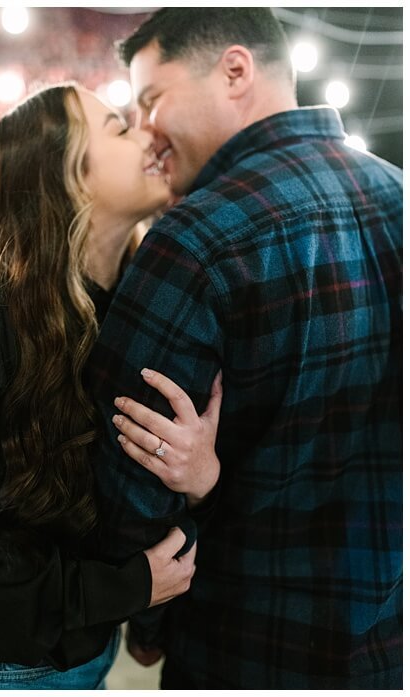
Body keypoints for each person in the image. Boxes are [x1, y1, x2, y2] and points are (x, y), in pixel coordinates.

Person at [86, 8, 403, 688]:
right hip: (384, 636)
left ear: (235, 70)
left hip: (243, 639)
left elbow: (129, 467)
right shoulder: (401, 197)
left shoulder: (196, 236)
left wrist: (147, 619)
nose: (147, 129)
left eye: (152, 99)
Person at [0, 83, 204, 689]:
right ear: (64, 177)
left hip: (91, 653)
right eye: (119, 127)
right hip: (3, 666)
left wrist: (199, 475)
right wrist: (123, 589)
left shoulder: (144, 303)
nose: (150, 133)